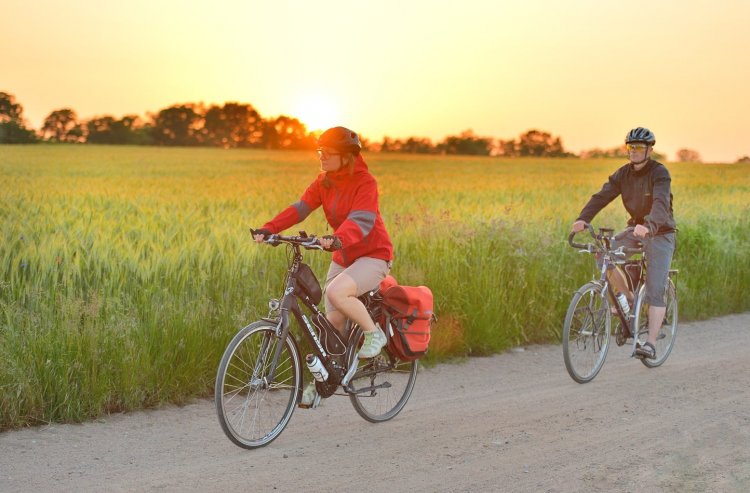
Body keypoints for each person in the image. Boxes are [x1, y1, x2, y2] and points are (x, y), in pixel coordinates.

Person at [252, 126, 394, 405]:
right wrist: (270, 229)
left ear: (346, 156)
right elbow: (300, 208)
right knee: (330, 326)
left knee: (336, 293)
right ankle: (325, 383)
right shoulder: (324, 182)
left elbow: (362, 221)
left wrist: (338, 238)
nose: (321, 157)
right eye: (319, 152)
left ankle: (374, 335)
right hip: (344, 257)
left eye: (327, 152)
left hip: (373, 255)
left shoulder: (366, 183)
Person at [571, 127, 676, 359]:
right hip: (635, 229)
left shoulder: (659, 173)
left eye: (639, 147)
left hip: (660, 232)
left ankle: (649, 344)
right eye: (631, 147)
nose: (634, 151)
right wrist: (583, 218)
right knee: (603, 256)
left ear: (649, 149)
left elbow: (660, 204)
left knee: (655, 288)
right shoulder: (623, 174)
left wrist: (649, 226)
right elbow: (602, 196)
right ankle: (628, 299)